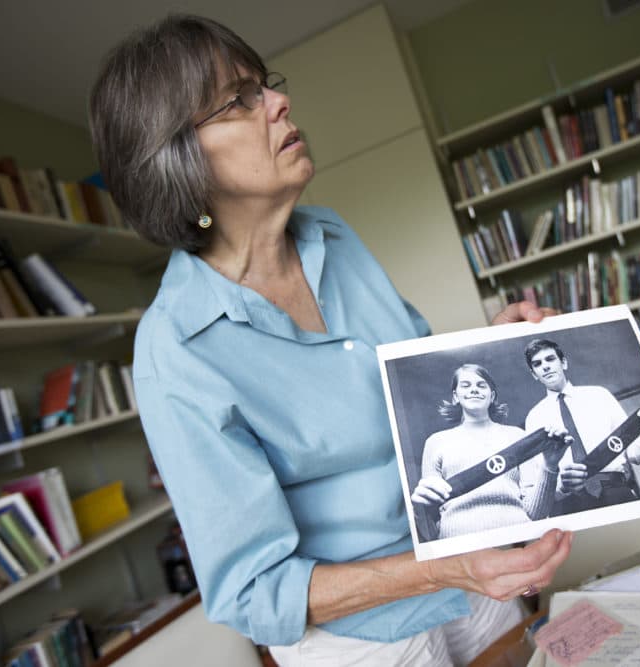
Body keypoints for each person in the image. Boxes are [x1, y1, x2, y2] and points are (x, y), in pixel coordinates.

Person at [88, 14, 572, 666]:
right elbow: (253, 592)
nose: (280, 103)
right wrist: (438, 569)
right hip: (361, 638)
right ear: (177, 157)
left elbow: (418, 392)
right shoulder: (176, 349)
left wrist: (492, 351)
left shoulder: (333, 235)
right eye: (240, 99)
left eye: (266, 85)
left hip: (470, 559)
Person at [411, 364, 569, 541]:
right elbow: (429, 529)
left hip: (518, 541)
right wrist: (418, 509)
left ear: (492, 396)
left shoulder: (517, 436)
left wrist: (550, 465)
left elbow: (536, 515)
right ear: (455, 396)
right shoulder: (436, 442)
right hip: (460, 545)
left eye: (481, 385)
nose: (474, 390)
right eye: (466, 385)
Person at [522, 338, 640, 515]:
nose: (545, 366)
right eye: (537, 364)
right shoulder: (534, 418)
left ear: (564, 363)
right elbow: (540, 476)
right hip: (567, 504)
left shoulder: (599, 395)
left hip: (615, 491)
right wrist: (561, 487)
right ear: (534, 374)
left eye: (550, 359)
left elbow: (635, 454)